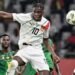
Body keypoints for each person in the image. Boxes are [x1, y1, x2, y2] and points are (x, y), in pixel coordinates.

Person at [0, 3, 60, 75]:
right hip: (24, 49)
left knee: (46, 73)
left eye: (38, 12)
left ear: (43, 12)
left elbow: (46, 40)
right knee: (13, 64)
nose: (35, 14)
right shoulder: (25, 17)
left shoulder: (46, 23)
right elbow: (5, 15)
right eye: (34, 11)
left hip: (37, 51)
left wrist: (53, 54)